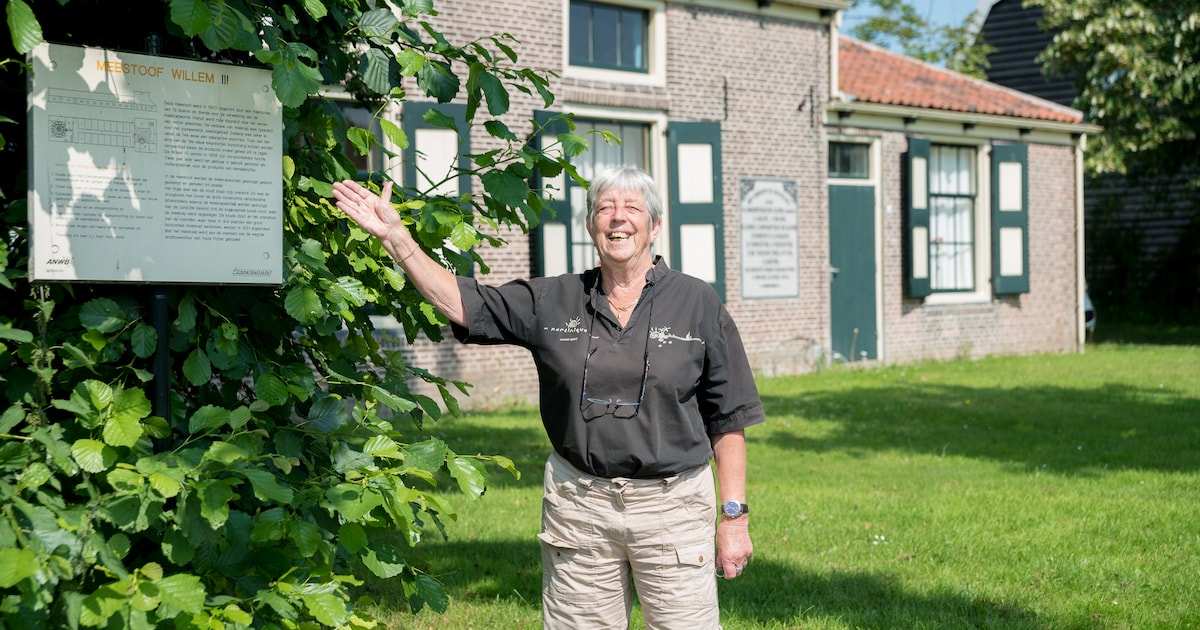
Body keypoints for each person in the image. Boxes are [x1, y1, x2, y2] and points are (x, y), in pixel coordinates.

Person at [332, 166, 764, 629]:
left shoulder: (699, 305)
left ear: (655, 226)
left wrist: (733, 517)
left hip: (672, 506)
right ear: (591, 225)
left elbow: (728, 419)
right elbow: (465, 303)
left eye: (632, 208)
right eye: (605, 208)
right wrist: (398, 240)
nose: (618, 219)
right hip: (579, 506)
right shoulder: (555, 299)